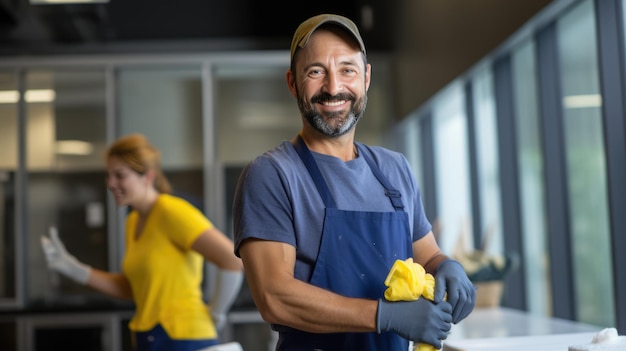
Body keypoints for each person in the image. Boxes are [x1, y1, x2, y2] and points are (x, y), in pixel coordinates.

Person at [232, 14, 476, 350]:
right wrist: (383, 316)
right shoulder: (272, 175)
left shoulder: (394, 168)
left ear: (366, 77)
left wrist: (447, 265)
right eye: (315, 71)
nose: (334, 88)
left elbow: (427, 254)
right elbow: (275, 297)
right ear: (292, 83)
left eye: (347, 69)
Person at [41, 133, 244, 351]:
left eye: (119, 175)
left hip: (184, 337)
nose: (110, 183)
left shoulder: (171, 212)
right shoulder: (133, 221)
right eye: (108, 175)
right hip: (148, 336)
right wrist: (74, 268)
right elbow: (133, 288)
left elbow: (231, 260)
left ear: (147, 176)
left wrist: (216, 313)